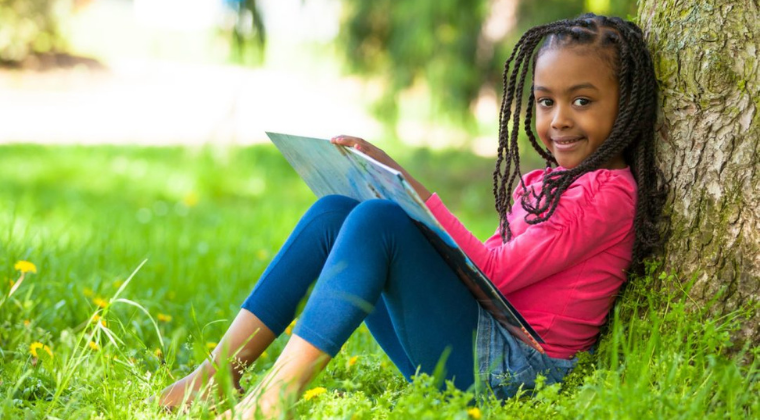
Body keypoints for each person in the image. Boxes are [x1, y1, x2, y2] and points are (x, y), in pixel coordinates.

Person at [155, 13, 666, 418]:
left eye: (582, 101)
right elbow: (486, 280)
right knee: (337, 211)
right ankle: (219, 374)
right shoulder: (541, 183)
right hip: (481, 347)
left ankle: (274, 400)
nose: (559, 120)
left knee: (380, 222)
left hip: (518, 375)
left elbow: (495, 274)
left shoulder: (608, 194)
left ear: (626, 108)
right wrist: (390, 186)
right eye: (545, 101)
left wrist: (404, 183)